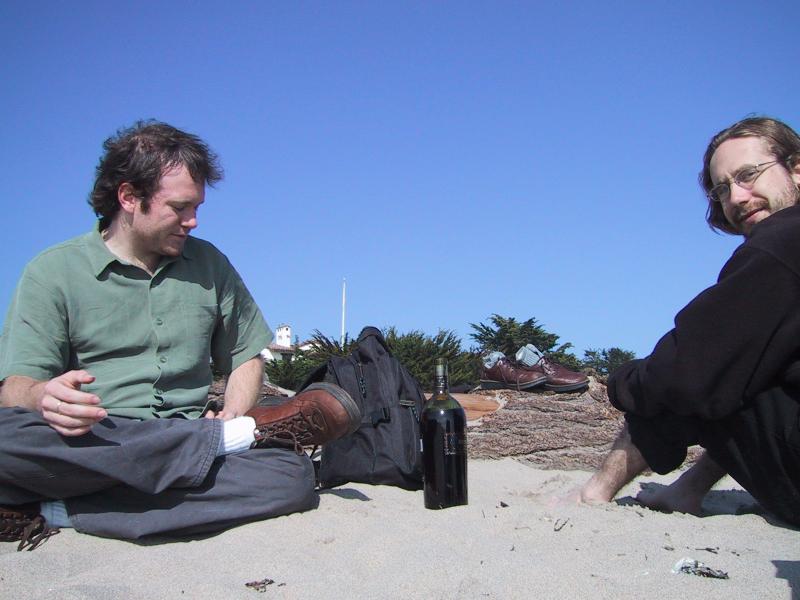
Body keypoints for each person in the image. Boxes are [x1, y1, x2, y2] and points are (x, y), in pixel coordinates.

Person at [0, 121, 361, 550]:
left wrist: (234, 413)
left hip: (185, 432)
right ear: (128, 197)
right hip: (91, 440)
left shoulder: (211, 264)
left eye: (197, 207)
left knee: (291, 478)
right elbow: (15, 388)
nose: (193, 221)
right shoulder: (51, 272)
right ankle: (223, 443)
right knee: (7, 438)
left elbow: (246, 355)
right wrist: (43, 396)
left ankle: (58, 511)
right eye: (179, 207)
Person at [573, 116, 800, 526]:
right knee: (741, 365)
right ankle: (688, 489)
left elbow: (686, 372)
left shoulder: (784, 239)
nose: (737, 197)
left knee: (681, 373)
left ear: (796, 169)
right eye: (722, 189)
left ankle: (593, 493)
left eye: (748, 175)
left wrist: (622, 382)